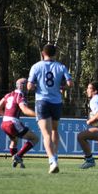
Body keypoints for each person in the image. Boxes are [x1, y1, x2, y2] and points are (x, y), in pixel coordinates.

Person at [27, 44, 73, 174]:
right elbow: (70, 83)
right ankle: (55, 155)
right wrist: (62, 87)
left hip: (42, 101)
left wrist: (37, 87)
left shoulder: (36, 66)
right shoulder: (61, 66)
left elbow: (29, 86)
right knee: (54, 130)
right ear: (55, 54)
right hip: (56, 102)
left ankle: (52, 161)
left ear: (43, 53)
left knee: (46, 134)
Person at [0, 78, 39, 168]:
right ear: (22, 86)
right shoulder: (20, 96)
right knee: (35, 139)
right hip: (12, 122)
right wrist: (38, 115)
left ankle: (15, 161)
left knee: (14, 141)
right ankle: (18, 156)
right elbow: (25, 110)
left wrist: (6, 117)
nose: (28, 87)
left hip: (4, 123)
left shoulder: (8, 95)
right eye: (27, 85)